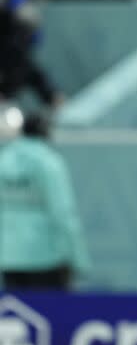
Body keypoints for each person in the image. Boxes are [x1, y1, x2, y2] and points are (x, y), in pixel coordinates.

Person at [0, 113, 90, 289]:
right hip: (46, 256)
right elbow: (62, 213)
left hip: (8, 255)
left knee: (21, 311)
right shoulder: (48, 162)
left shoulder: (3, 160)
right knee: (50, 313)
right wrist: (78, 258)